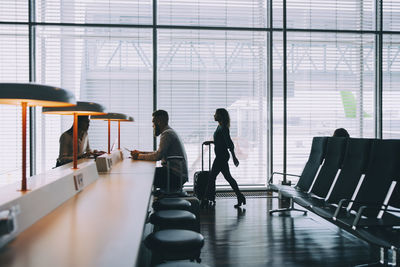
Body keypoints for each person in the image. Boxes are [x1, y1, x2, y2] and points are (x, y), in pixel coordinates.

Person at [131, 110, 188, 192]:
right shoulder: (169, 132)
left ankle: (144, 200)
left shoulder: (167, 134)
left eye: (154, 122)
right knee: (146, 173)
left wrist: (138, 156)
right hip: (176, 174)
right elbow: (159, 152)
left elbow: (158, 156)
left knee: (144, 174)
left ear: (160, 122)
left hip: (175, 176)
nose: (152, 125)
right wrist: (140, 153)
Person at [206, 108, 246, 208]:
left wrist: (234, 157)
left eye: (215, 114)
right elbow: (221, 141)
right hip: (221, 156)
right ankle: (240, 197)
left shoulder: (223, 128)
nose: (214, 115)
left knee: (212, 177)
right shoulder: (219, 126)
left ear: (220, 116)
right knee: (228, 177)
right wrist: (211, 142)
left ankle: (209, 198)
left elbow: (229, 143)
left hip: (222, 156)